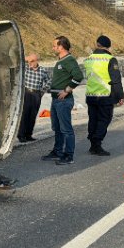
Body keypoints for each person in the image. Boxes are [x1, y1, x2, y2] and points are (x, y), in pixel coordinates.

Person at [41, 36, 83, 165]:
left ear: (61, 47)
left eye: (54, 45)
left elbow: (78, 76)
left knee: (66, 129)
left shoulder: (69, 60)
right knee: (57, 128)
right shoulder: (61, 61)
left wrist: (67, 90)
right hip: (56, 100)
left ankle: (68, 156)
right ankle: (57, 151)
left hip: (63, 101)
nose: (53, 48)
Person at [83, 35, 124, 156]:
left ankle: (92, 144)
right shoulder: (110, 59)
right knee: (104, 119)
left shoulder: (89, 58)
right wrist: (120, 96)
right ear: (108, 46)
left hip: (91, 95)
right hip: (105, 95)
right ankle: (97, 143)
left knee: (93, 119)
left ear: (97, 44)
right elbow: (116, 80)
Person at [17, 53, 50, 143]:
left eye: (32, 61)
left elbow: (48, 81)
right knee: (24, 115)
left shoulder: (43, 71)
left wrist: (42, 92)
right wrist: (27, 58)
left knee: (32, 115)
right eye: (28, 61)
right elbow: (18, 61)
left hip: (36, 94)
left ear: (37, 61)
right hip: (26, 93)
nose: (30, 63)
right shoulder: (25, 69)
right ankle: (21, 135)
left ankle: (28, 135)